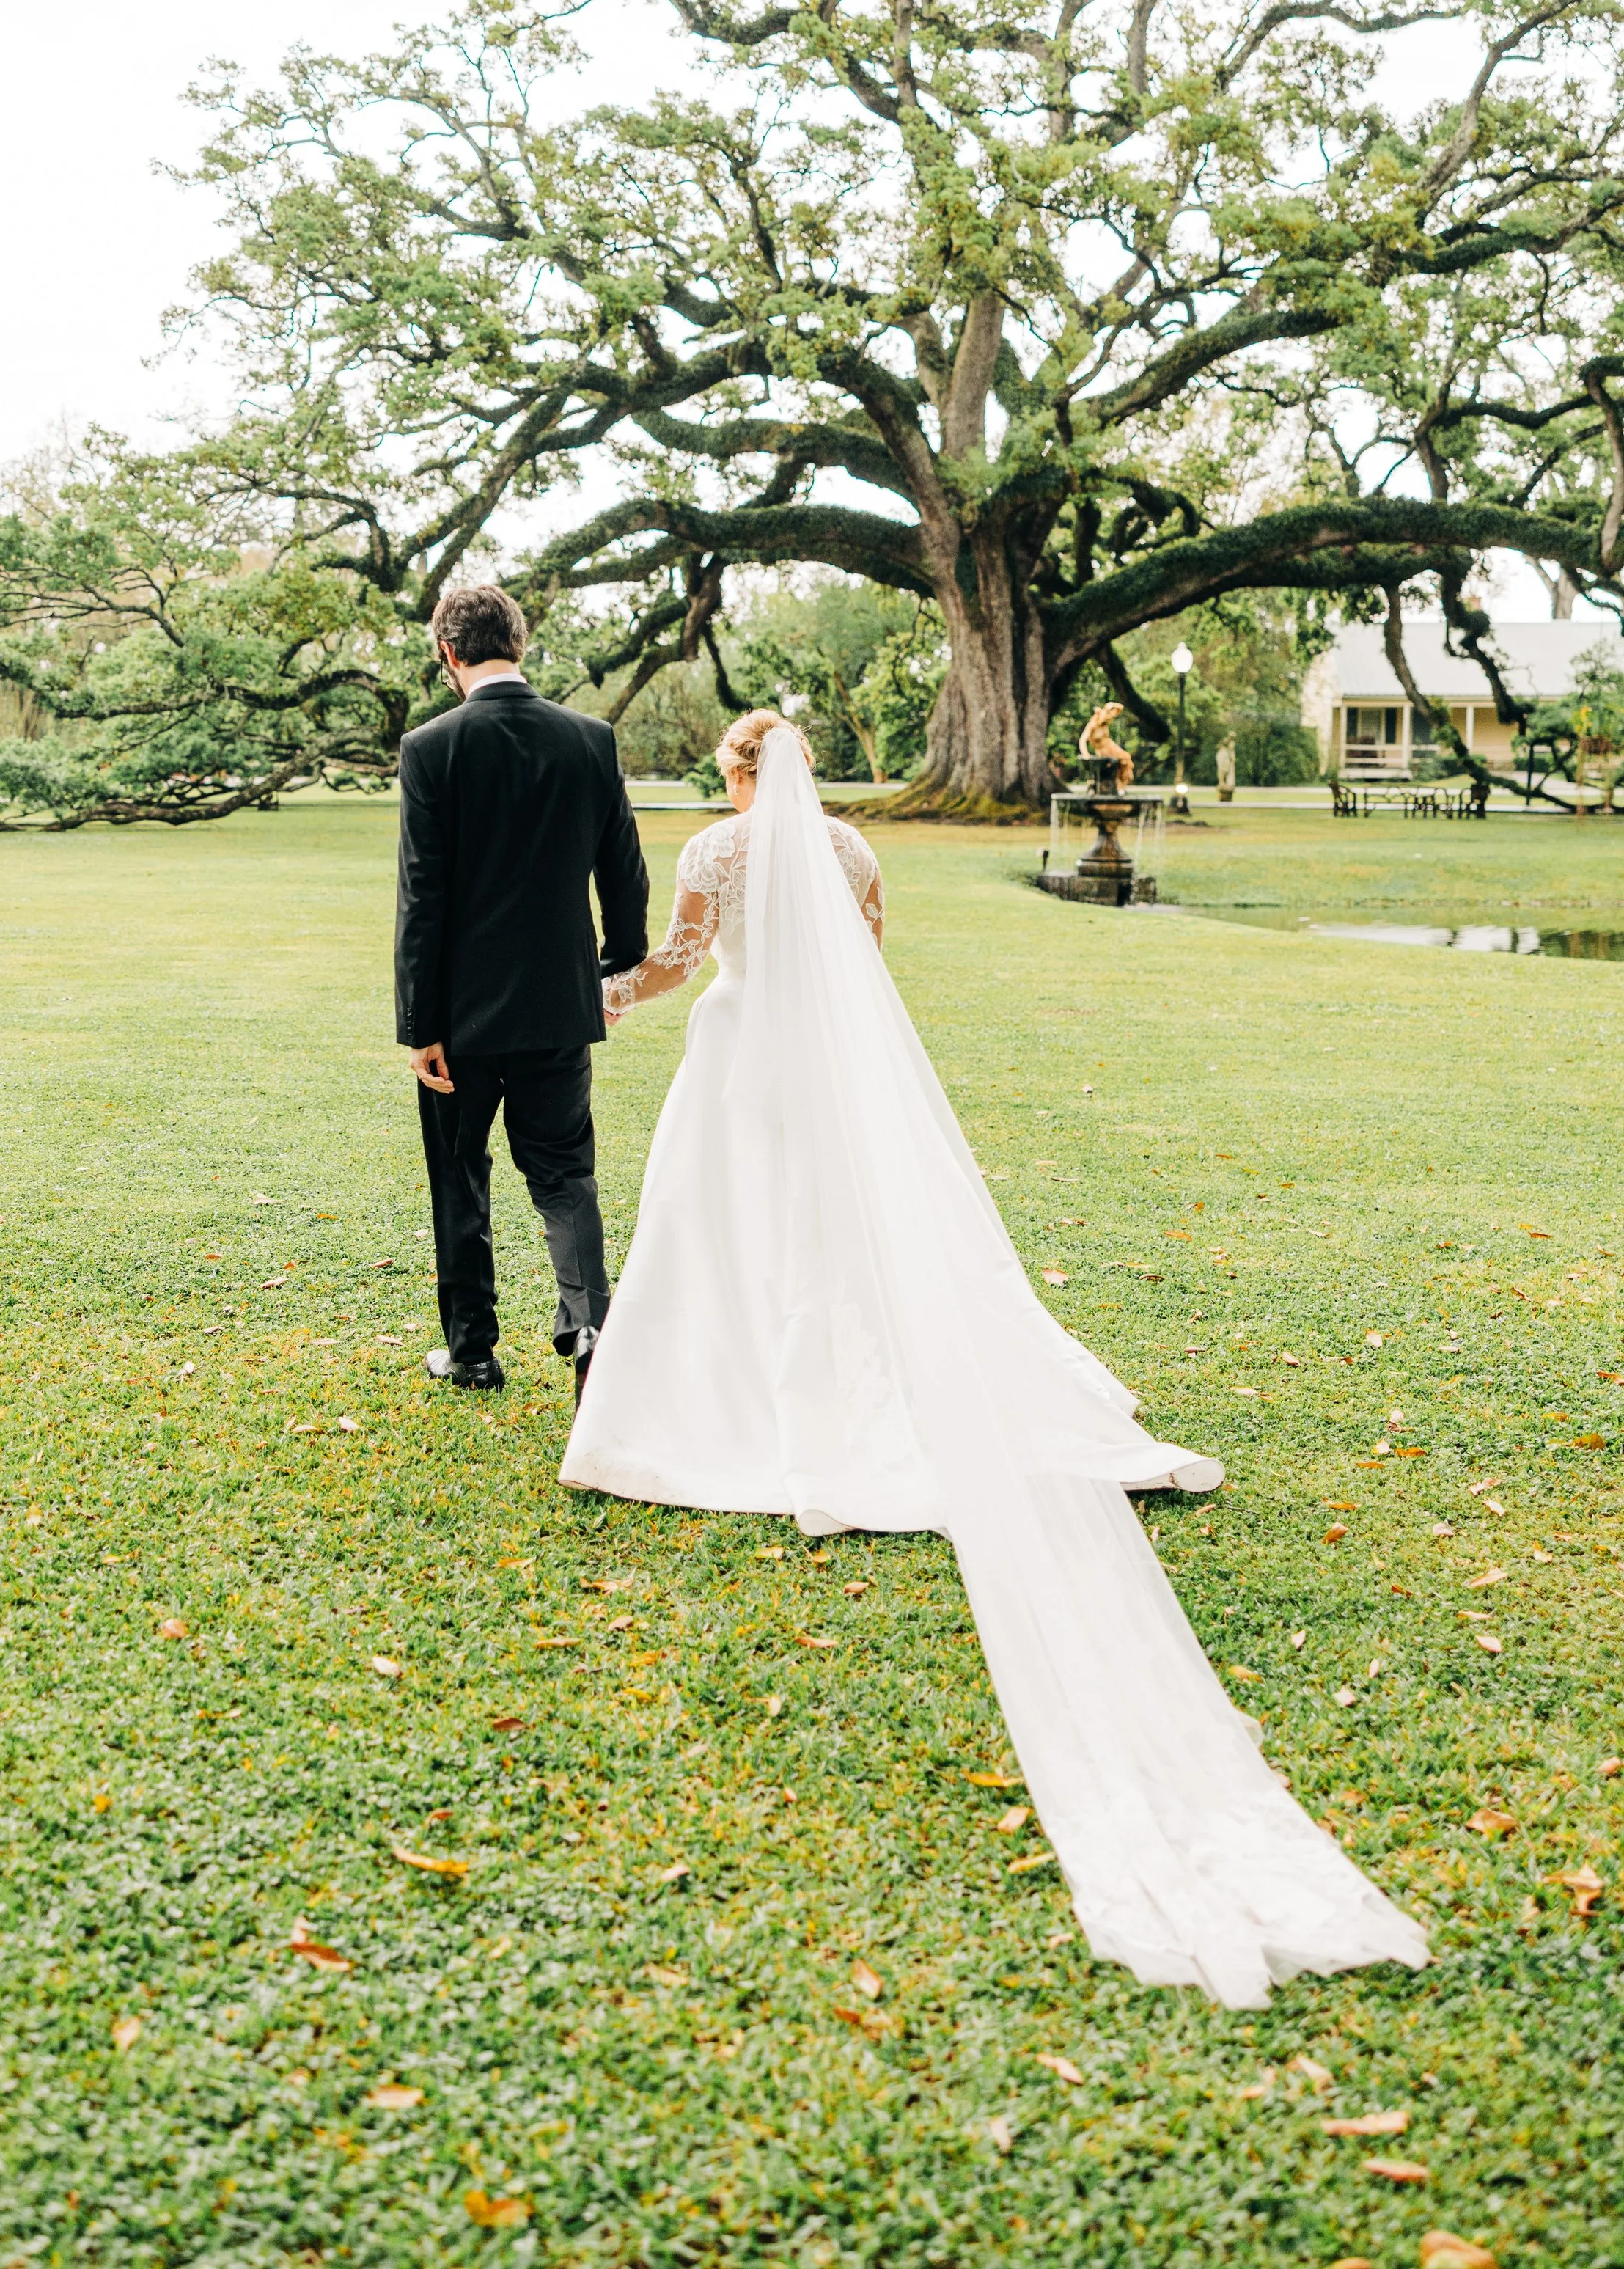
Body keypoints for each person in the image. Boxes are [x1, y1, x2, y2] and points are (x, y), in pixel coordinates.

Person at [563, 709, 1428, 2009]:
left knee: (731, 1228)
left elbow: (683, 963)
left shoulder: (709, 852)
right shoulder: (852, 849)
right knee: (839, 1233)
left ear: (742, 774)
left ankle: (734, 1391)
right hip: (824, 1072)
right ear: (805, 770)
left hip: (743, 1062)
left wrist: (598, 994)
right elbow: (864, 963)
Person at [394, 584, 648, 1393]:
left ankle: (471, 1351)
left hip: (460, 1019)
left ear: (447, 653)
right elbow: (625, 871)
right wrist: (617, 961)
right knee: (565, 1175)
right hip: (557, 1005)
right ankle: (589, 1330)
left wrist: (417, 1021)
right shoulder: (590, 739)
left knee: (459, 1172)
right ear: (521, 643)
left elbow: (421, 895)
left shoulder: (430, 747)